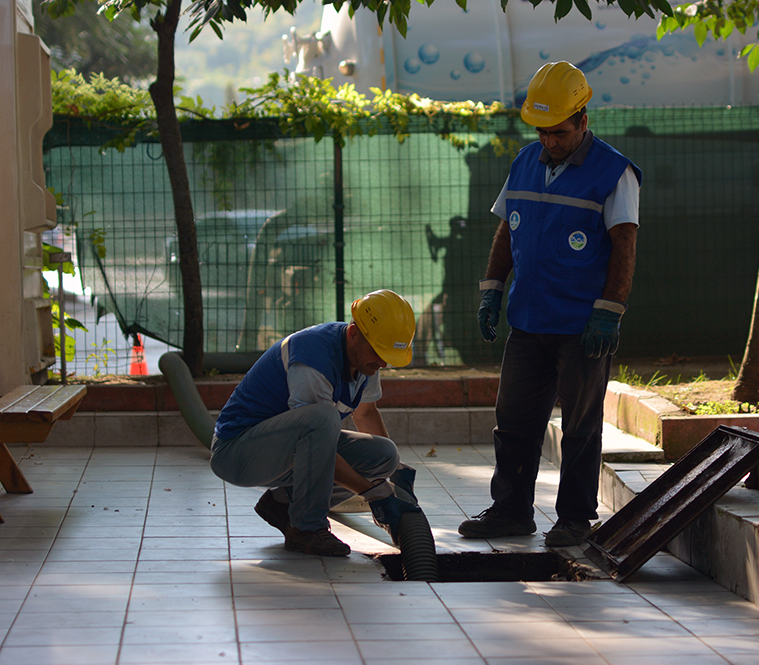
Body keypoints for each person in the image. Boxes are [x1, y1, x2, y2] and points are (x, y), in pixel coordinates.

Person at [459, 61, 642, 548]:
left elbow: (625, 244)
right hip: (529, 321)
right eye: (542, 133)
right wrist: (492, 288)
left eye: (559, 132)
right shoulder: (525, 162)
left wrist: (610, 309)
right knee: (514, 422)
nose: (550, 142)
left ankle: (576, 518)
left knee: (581, 426)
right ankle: (510, 512)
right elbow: (507, 228)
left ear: (583, 120)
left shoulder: (614, 173)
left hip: (583, 325)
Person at [210, 289, 421, 556]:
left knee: (384, 455)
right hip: (238, 454)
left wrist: (394, 474)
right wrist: (373, 492)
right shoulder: (312, 357)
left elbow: (365, 413)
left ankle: (283, 504)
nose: (382, 362)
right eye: (378, 351)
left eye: (387, 355)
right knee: (323, 418)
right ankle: (306, 528)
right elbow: (317, 439)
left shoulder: (365, 360)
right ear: (354, 333)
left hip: (281, 451)